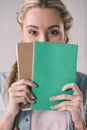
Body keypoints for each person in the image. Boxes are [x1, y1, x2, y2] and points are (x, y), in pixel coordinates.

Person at [0, 0, 87, 130]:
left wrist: (80, 122)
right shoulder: (1, 83)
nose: (43, 41)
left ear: (65, 36)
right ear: (22, 36)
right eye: (33, 32)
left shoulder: (84, 85)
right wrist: (9, 115)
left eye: (53, 32)